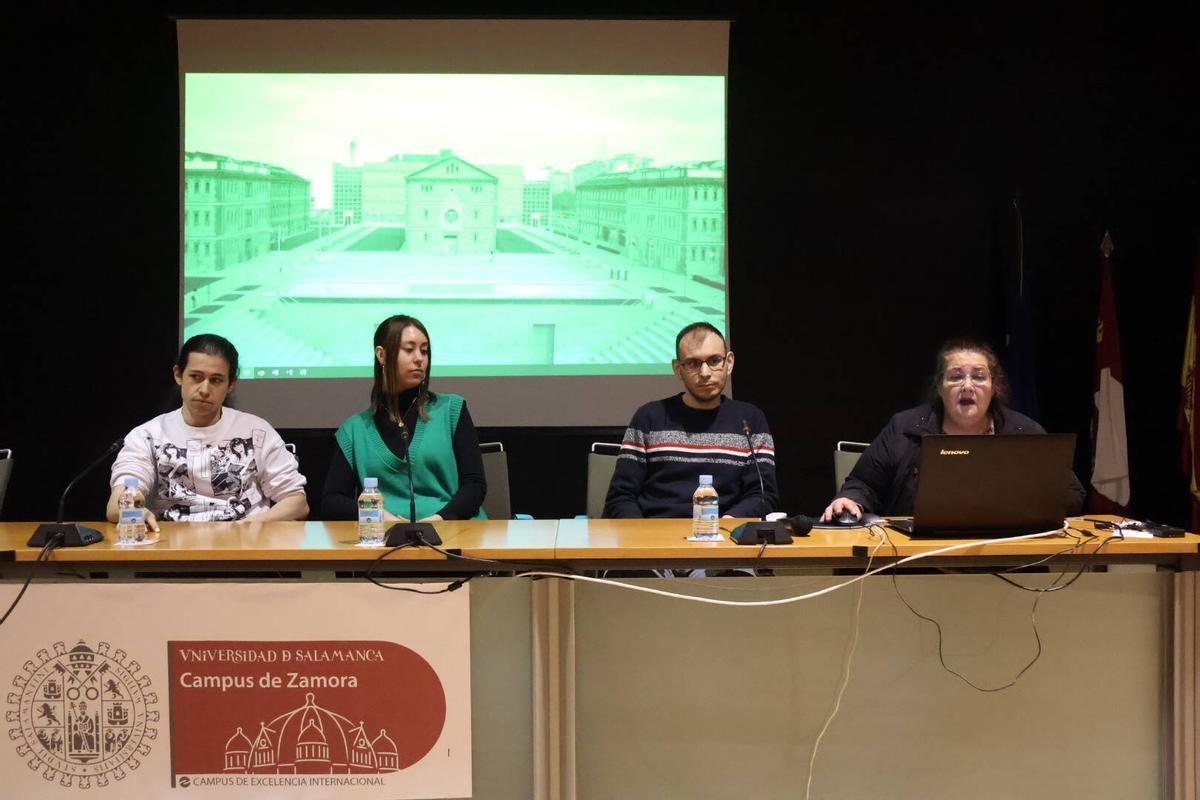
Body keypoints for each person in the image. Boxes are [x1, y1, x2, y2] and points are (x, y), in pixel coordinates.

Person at [821, 338, 1086, 522]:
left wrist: (1021, 509)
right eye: (956, 376)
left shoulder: (1024, 431)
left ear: (994, 387)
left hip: (1006, 561)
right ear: (939, 387)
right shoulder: (904, 428)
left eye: (979, 377)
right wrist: (849, 500)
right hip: (917, 564)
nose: (968, 386)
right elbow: (863, 484)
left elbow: (1071, 494)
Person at [107, 334, 308, 528]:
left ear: (231, 384)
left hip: (245, 547)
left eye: (216, 380)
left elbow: (296, 502)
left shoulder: (257, 432)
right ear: (178, 375)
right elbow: (119, 500)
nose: (204, 389)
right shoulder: (148, 434)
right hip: (171, 549)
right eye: (196, 377)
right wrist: (132, 510)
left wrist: (247, 526)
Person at [604, 322, 778, 519]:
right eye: (693, 363)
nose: (705, 373)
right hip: (656, 539)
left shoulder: (750, 420)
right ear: (678, 369)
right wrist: (643, 538)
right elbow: (621, 498)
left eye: (714, 361)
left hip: (725, 538)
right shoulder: (649, 418)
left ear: (728, 363)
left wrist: (729, 524)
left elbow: (763, 496)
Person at [322, 315, 486, 522]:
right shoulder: (355, 430)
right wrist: (378, 516)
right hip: (386, 538)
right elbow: (332, 501)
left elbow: (475, 485)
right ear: (381, 355)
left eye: (424, 351)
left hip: (452, 532)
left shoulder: (451, 410)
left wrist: (440, 519)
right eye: (409, 350)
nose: (419, 358)